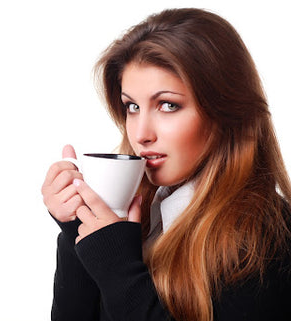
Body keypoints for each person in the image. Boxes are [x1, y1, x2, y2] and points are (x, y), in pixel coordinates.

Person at [41, 8, 291, 321]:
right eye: (132, 106)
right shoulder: (139, 218)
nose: (141, 135)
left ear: (226, 112)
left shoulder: (267, 242)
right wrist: (79, 229)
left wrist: (120, 272)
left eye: (168, 105)